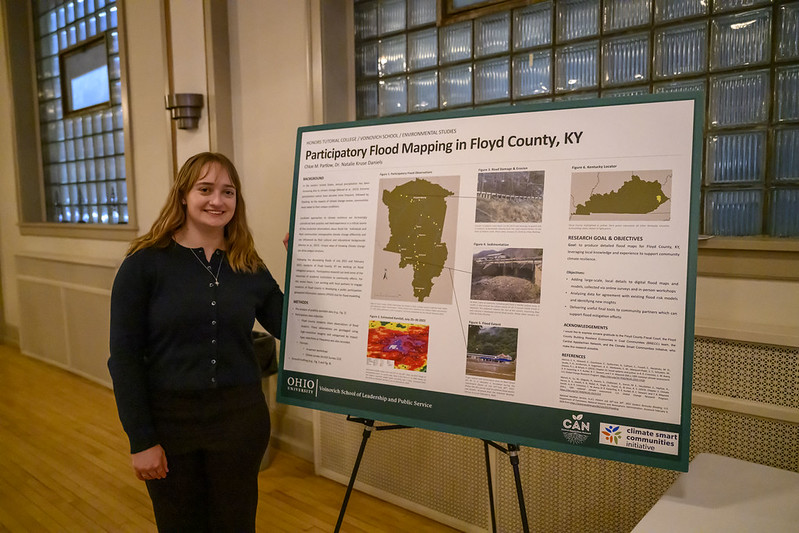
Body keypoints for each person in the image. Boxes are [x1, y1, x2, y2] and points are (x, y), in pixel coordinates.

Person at [108, 152, 284, 532]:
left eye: (228, 192)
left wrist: (306, 260)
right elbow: (123, 358)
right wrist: (141, 439)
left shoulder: (248, 264)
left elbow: (291, 326)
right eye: (205, 189)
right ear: (184, 195)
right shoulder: (144, 264)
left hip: (240, 422)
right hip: (171, 425)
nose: (217, 200)